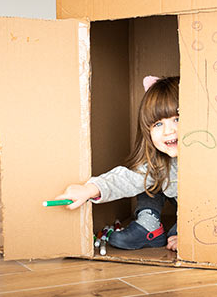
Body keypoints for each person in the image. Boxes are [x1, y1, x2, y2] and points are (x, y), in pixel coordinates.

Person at [55, 75, 180, 251]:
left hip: (201, 212)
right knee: (145, 179)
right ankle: (149, 225)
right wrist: (90, 189)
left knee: (181, 234)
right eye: (158, 124)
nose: (169, 131)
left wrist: (188, 234)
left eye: (177, 119)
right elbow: (127, 179)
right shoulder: (160, 161)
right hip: (180, 205)